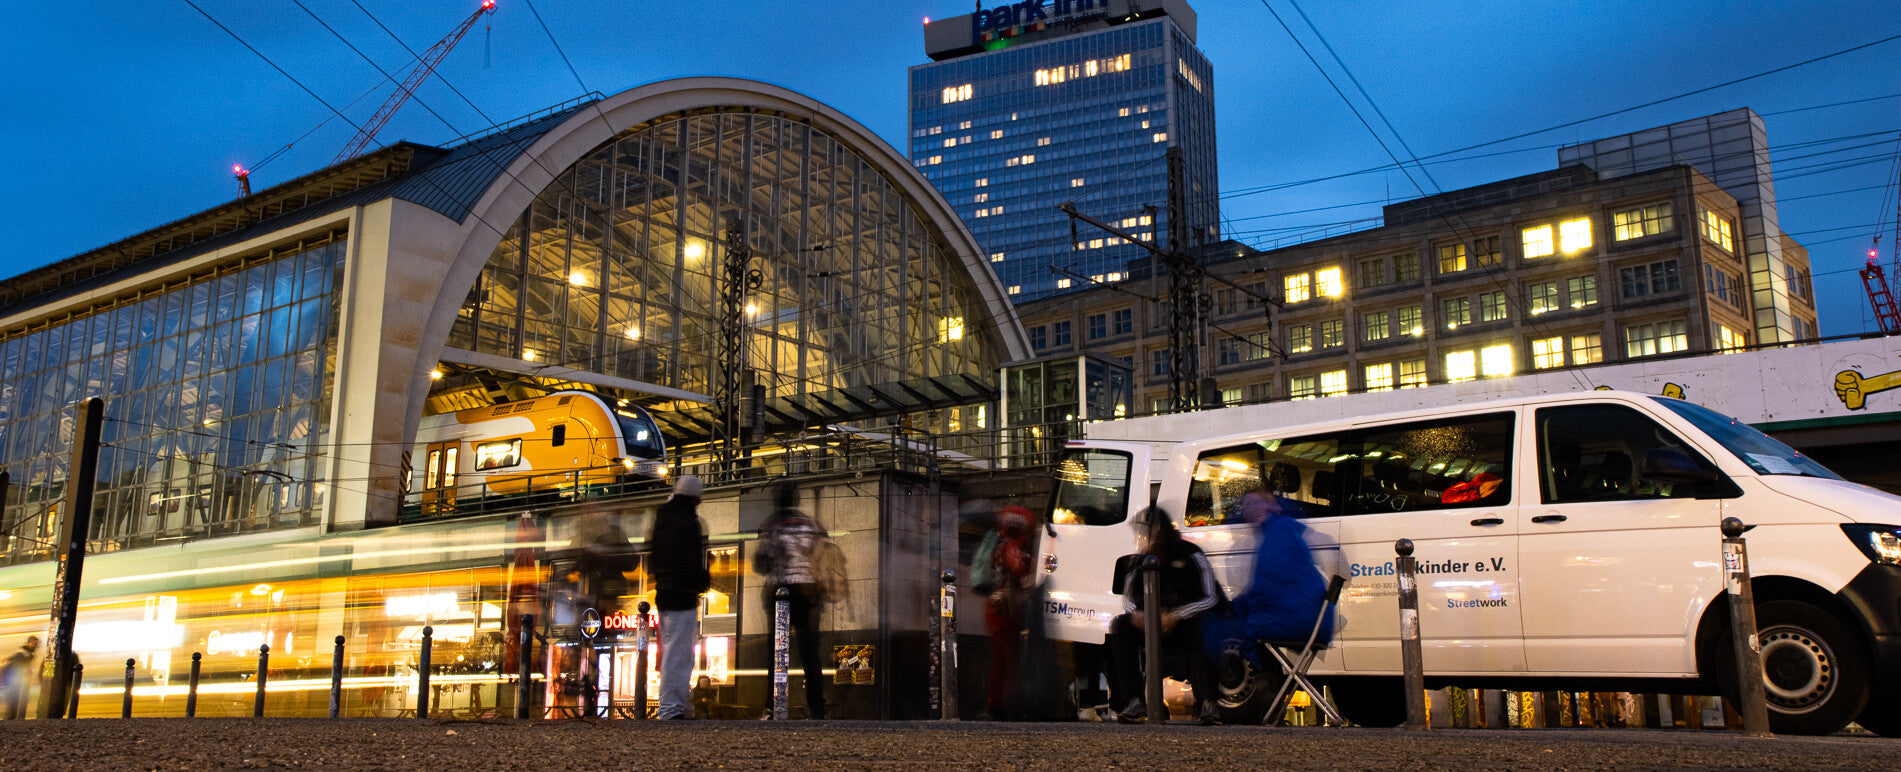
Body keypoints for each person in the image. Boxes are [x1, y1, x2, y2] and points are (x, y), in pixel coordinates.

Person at [1108, 506, 1222, 725]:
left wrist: (1176, 615)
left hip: (1186, 624)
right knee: (1121, 626)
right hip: (1150, 624)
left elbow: (1209, 597)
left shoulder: (1191, 554)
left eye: (1147, 531)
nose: (1141, 537)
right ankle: (1134, 701)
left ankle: (1209, 702)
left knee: (1208, 627)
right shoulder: (1139, 561)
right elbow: (1129, 597)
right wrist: (1138, 615)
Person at [753, 483, 826, 719]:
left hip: (781, 594)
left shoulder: (772, 524)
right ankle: (817, 709)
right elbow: (820, 556)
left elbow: (761, 563)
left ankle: (772, 706)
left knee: (776, 654)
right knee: (811, 655)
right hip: (808, 594)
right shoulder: (810, 524)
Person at [650, 474, 711, 719]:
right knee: (679, 653)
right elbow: (691, 559)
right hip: (682, 594)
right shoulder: (688, 522)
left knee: (674, 651)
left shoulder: (663, 517)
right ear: (695, 498)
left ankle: (680, 705)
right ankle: (671, 707)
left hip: (665, 592)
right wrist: (701, 579)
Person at [982, 506, 1037, 719]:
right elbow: (1018, 569)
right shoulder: (1011, 547)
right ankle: (1000, 705)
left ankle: (998, 704)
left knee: (1002, 659)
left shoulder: (997, 545)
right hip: (1006, 611)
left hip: (995, 607)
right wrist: (1031, 565)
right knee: (1008, 660)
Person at [2, 636, 38, 719]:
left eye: (37, 644)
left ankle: (12, 721)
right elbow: (15, 668)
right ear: (28, 643)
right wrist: (24, 672)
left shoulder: (29, 655)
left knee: (17, 706)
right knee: (14, 706)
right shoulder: (22, 654)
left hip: (20, 684)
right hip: (16, 685)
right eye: (34, 643)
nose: (35, 646)